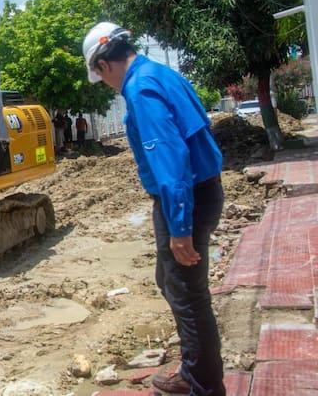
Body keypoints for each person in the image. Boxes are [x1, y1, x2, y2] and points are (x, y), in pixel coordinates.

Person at [83, 22, 226, 396]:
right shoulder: (159, 73)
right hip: (200, 191)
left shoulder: (140, 89)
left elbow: (170, 159)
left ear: (104, 65)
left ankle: (203, 385)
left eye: (102, 77)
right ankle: (195, 369)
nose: (108, 86)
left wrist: (180, 226)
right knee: (171, 282)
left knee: (188, 295)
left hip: (187, 197)